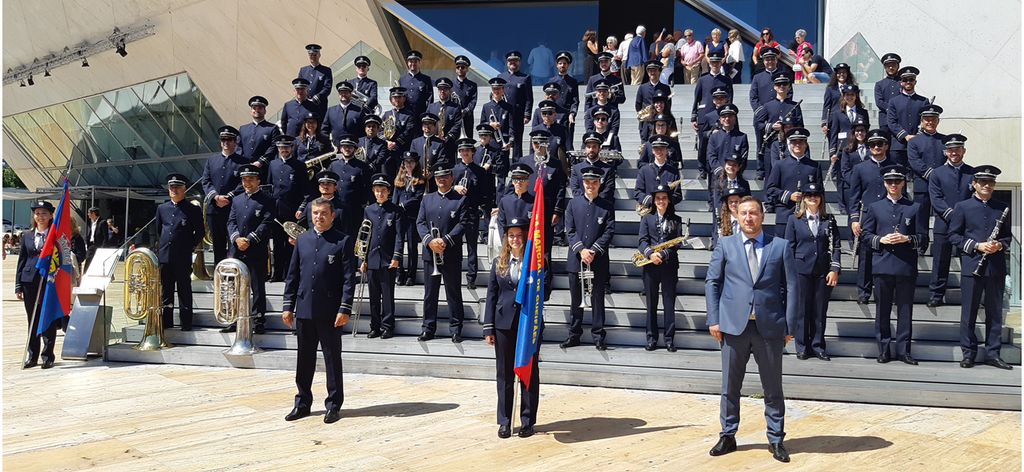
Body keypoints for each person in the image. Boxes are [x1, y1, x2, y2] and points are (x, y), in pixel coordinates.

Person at [705, 195, 795, 463]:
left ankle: (776, 438)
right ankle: (728, 435)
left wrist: (789, 325)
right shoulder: (725, 244)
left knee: (772, 386)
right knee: (730, 386)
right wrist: (714, 319)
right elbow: (712, 282)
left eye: (753, 213)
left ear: (762, 216)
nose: (748, 218)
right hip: (733, 327)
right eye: (743, 213)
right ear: (737, 216)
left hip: (770, 327)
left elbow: (792, 287)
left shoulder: (780, 246)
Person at [281, 197, 356, 424]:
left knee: (332, 359)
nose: (318, 217)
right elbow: (293, 275)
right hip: (304, 309)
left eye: (323, 213)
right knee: (304, 359)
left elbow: (348, 279)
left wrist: (344, 308)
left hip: (331, 311)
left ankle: (333, 405)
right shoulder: (301, 240)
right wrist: (287, 306)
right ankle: (302, 403)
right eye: (315, 213)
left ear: (332, 215)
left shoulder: (342, 241)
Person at [863, 165, 930, 366]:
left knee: (905, 310)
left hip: (905, 266)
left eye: (897, 181)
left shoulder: (914, 207)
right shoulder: (874, 207)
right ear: (884, 183)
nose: (893, 185)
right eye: (889, 181)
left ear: (903, 183)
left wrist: (906, 238)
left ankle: (903, 351)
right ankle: (883, 350)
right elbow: (865, 235)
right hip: (882, 265)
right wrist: (881, 240)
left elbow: (924, 238)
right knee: (882, 311)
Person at [948, 165, 1012, 370]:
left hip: (995, 266)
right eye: (983, 182)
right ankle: (968, 353)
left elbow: (1008, 236)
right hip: (972, 265)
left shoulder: (1002, 207)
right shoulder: (962, 206)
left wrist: (999, 244)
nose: (987, 185)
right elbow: (954, 236)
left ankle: (993, 353)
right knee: (969, 312)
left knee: (994, 312)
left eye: (991, 182)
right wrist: (977, 245)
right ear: (974, 184)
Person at [483, 216, 539, 438]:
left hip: (528, 323)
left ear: (525, 237)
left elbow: (545, 290)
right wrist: (488, 327)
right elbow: (491, 295)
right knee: (504, 373)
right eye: (511, 235)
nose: (515, 239)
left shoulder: (536, 262)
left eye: (519, 235)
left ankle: (527, 421)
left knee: (528, 372)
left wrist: (534, 279)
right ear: (506, 238)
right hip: (503, 323)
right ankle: (505, 421)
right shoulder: (499, 262)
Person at [785, 182, 840, 361]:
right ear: (804, 198)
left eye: (816, 195)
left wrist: (834, 268)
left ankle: (818, 346)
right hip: (801, 269)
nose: (812, 197)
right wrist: (790, 272)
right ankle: (801, 346)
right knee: (802, 310)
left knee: (819, 310)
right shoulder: (794, 219)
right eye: (808, 195)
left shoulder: (829, 220)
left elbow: (836, 246)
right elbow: (789, 247)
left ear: (821, 198)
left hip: (823, 270)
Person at [561, 166, 615, 351]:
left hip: (597, 260)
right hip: (577, 260)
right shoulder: (573, 204)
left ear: (599, 183)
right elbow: (570, 230)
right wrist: (581, 251)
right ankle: (574, 334)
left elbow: (609, 231)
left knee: (597, 299)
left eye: (594, 182)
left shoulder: (607, 206)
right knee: (576, 299)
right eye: (587, 182)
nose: (590, 185)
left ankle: (598, 335)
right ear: (582, 183)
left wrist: (592, 251)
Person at [416, 162, 470, 342]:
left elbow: (464, 224)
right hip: (430, 254)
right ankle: (428, 328)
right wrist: (429, 241)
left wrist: (445, 240)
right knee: (430, 294)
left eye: (445, 175)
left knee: (453, 292)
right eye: (438, 176)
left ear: (452, 178)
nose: (441, 178)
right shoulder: (427, 199)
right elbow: (420, 223)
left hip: (451, 252)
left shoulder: (460, 199)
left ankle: (456, 328)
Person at [848, 129, 899, 305]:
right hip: (867, 217)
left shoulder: (895, 167)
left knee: (887, 254)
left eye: (879, 144)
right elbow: (853, 196)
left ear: (886, 145)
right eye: (872, 144)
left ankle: (888, 292)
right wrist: (854, 219)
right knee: (866, 255)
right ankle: (864, 291)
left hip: (888, 215)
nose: (876, 147)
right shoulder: (859, 168)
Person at [224, 164, 274, 335]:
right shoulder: (237, 200)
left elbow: (266, 224)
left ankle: (258, 320)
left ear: (258, 181)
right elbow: (231, 222)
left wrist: (249, 240)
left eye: (250, 179)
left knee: (257, 287)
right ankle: (233, 318)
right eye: (244, 180)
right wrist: (236, 239)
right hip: (236, 250)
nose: (247, 183)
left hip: (256, 250)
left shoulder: (267, 200)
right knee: (233, 287)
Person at [927, 133, 973, 307]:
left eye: (957, 150)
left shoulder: (972, 173)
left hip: (968, 227)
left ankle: (970, 294)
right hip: (943, 224)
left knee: (967, 261)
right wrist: (953, 216)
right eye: (951, 150)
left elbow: (975, 197)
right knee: (941, 262)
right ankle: (936, 295)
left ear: (963, 150)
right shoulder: (937, 174)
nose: (954, 153)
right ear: (945, 152)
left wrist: (963, 218)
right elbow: (936, 199)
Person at [154, 173, 205, 331]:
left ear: (184, 189)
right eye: (171, 187)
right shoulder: (162, 208)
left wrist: (189, 247)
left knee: (184, 289)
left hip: (182, 256)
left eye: (177, 187)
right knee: (166, 290)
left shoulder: (192, 209)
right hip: (165, 256)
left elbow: (200, 232)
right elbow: (158, 230)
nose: (174, 189)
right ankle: (167, 322)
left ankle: (186, 322)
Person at [16, 200, 60, 369]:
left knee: (48, 318)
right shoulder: (27, 236)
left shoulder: (54, 236)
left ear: (50, 216)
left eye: (44, 213)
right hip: (29, 281)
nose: (40, 216)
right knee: (32, 318)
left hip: (48, 280)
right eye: (37, 213)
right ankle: (32, 355)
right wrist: (18, 285)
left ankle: (47, 355)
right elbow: (22, 261)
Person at [639, 185, 683, 351]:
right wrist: (650, 254)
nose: (661, 201)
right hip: (650, 266)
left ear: (669, 200)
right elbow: (642, 241)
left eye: (664, 198)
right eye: (658, 198)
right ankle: (651, 338)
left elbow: (676, 243)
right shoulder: (646, 218)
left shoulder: (676, 219)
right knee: (651, 303)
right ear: (654, 200)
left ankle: (669, 339)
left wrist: (663, 254)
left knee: (669, 303)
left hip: (669, 266)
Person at [362, 173, 403, 339]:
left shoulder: (396, 211)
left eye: (383, 191)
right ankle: (375, 326)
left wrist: (396, 256)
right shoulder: (368, 210)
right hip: (371, 258)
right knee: (373, 296)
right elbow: (365, 236)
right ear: (373, 191)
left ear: (388, 191)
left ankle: (388, 326)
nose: (380, 194)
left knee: (387, 295)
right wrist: (363, 259)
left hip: (387, 259)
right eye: (377, 191)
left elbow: (399, 236)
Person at [202, 125, 247, 264]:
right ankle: (218, 273)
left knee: (234, 243)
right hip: (214, 209)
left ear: (235, 141)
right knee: (217, 245)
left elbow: (243, 183)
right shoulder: (211, 160)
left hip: (233, 208)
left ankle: (233, 272)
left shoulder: (243, 162)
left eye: (229, 139)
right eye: (223, 139)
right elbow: (206, 181)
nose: (226, 142)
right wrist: (215, 196)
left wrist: (229, 196)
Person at [267, 135, 309, 282]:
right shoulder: (273, 164)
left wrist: (301, 209)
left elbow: (305, 192)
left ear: (291, 148)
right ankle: (277, 273)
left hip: (292, 211)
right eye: (281, 147)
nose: (283, 150)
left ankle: (290, 275)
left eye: (286, 147)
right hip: (276, 211)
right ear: (278, 148)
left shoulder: (299, 165)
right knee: (277, 244)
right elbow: (269, 187)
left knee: (291, 244)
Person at [765, 127, 821, 238]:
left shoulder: (814, 166)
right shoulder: (780, 165)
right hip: (785, 214)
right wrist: (789, 196)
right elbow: (770, 189)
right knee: (782, 248)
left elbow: (820, 191)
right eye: (794, 142)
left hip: (806, 214)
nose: (797, 145)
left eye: (801, 142)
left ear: (806, 144)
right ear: (790, 144)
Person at [749, 47, 791, 179]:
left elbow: (789, 94)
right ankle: (761, 170)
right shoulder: (758, 78)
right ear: (763, 61)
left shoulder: (784, 76)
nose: (770, 61)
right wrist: (761, 113)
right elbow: (753, 98)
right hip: (763, 118)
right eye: (767, 59)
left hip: (781, 116)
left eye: (772, 59)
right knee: (761, 143)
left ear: (776, 60)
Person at [906, 104, 946, 239]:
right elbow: (914, 161)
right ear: (921, 121)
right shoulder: (914, 141)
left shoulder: (944, 140)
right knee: (921, 217)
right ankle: (921, 243)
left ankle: (943, 243)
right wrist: (933, 175)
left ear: (938, 121)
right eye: (927, 119)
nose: (930, 122)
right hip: (922, 185)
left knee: (942, 215)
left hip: (942, 186)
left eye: (933, 119)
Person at [453, 138, 487, 289]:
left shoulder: (479, 171)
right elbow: (445, 188)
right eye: (462, 150)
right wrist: (455, 187)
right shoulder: (454, 170)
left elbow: (485, 193)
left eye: (467, 150)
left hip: (472, 212)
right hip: (456, 214)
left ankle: (471, 277)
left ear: (473, 151)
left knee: (472, 246)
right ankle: (454, 273)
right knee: (455, 245)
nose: (464, 153)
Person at [327, 135, 373, 237]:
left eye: (350, 146)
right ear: (340, 148)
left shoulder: (362, 166)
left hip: (353, 208)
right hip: (336, 208)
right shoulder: (334, 165)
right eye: (344, 146)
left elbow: (366, 187)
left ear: (355, 149)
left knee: (352, 235)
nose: (347, 149)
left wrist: (362, 204)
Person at [393, 153, 426, 286]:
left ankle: (411, 275)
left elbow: (418, 198)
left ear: (416, 163)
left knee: (412, 246)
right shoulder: (400, 178)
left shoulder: (420, 179)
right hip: (400, 217)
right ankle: (399, 273)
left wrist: (402, 206)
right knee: (399, 244)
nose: (409, 165)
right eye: (406, 162)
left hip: (412, 216)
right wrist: (394, 209)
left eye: (411, 162)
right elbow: (395, 196)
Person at [886, 66, 927, 169]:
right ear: (901, 82)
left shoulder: (923, 101)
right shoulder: (893, 101)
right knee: (898, 177)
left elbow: (926, 122)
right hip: (898, 146)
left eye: (911, 79)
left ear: (915, 82)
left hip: (918, 144)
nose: (908, 82)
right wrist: (906, 136)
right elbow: (891, 122)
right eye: (905, 80)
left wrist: (917, 136)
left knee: (917, 176)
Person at [633, 134, 683, 213]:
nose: (659, 151)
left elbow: (678, 195)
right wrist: (651, 200)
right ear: (653, 151)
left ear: (667, 151)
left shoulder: (673, 171)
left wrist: (664, 201)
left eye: (662, 149)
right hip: (649, 214)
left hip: (668, 214)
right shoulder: (644, 170)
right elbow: (637, 192)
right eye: (656, 149)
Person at [499, 51, 534, 161]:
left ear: (519, 62)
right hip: (503, 113)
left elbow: (529, 98)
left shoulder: (525, 77)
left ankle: (517, 163)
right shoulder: (501, 76)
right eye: (510, 61)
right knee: (503, 137)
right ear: (507, 63)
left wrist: (527, 114)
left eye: (515, 61)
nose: (512, 63)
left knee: (517, 139)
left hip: (517, 113)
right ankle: (503, 162)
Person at [571, 131, 617, 203]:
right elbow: (575, 189)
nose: (591, 150)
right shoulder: (577, 168)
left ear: (599, 149)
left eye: (594, 146)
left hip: (602, 206)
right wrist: (587, 200)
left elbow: (608, 190)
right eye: (588, 147)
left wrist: (595, 200)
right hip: (582, 205)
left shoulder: (608, 169)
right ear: (585, 149)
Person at [426, 77, 464, 158]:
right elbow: (427, 123)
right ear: (437, 92)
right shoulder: (431, 107)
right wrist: (433, 135)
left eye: (445, 89)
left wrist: (447, 137)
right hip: (434, 143)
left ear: (449, 91)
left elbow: (457, 124)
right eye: (440, 89)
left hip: (449, 143)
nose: (442, 91)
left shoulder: (455, 107)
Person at [239, 95, 282, 166]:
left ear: (265, 111)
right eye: (254, 108)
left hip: (265, 167)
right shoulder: (243, 129)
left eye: (259, 108)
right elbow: (237, 146)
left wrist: (260, 162)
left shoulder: (272, 128)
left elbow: (273, 147)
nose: (257, 110)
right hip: (245, 167)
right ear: (250, 111)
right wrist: (243, 160)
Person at [551, 51, 581, 148]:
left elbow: (575, 100)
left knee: (567, 144)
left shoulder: (573, 81)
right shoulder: (552, 81)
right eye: (560, 63)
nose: (562, 65)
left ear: (568, 65)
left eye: (564, 63)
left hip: (567, 116)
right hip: (554, 115)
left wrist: (572, 113)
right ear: (556, 65)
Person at [399, 50, 433, 127]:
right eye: (411, 61)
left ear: (419, 63)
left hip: (420, 114)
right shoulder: (402, 78)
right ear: (408, 63)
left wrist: (427, 113)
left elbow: (430, 98)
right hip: (405, 114)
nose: (413, 64)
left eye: (415, 61)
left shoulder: (425, 79)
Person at [298, 44, 332, 116]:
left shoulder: (326, 70)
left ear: (319, 55)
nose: (312, 57)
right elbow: (299, 86)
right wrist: (305, 99)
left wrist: (315, 99)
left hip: (319, 105)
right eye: (310, 55)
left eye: (315, 55)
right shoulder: (303, 70)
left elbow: (327, 88)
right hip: (305, 105)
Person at [873, 53, 902, 135]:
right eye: (888, 66)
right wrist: (892, 110)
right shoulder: (880, 84)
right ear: (884, 68)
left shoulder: (903, 82)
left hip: (901, 118)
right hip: (885, 119)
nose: (891, 68)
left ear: (898, 66)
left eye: (893, 65)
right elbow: (879, 102)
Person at [822, 63, 856, 133]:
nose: (841, 74)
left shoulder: (852, 88)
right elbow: (827, 106)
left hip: (848, 119)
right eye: (839, 73)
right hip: (833, 120)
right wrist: (824, 122)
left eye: (844, 72)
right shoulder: (830, 89)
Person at [383, 87, 417, 156]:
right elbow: (380, 129)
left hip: (402, 149)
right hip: (387, 149)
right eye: (395, 97)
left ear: (404, 99)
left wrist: (396, 143)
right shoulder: (387, 114)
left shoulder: (409, 115)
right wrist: (387, 142)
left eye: (399, 97)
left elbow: (409, 131)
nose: (397, 99)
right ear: (392, 99)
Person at [453, 55, 479, 138]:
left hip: (467, 117)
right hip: (453, 117)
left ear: (467, 69)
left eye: (462, 67)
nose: (460, 69)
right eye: (458, 67)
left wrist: (465, 111)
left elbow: (473, 101)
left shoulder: (472, 85)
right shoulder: (450, 84)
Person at [84, 206, 106, 271]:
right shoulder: (92, 222)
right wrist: (87, 238)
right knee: (88, 259)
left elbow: (105, 236)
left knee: (100, 261)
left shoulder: (102, 222)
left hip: (99, 245)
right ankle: (85, 274)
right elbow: (92, 232)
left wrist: (103, 247)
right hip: (91, 245)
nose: (88, 214)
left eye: (89, 213)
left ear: (93, 213)